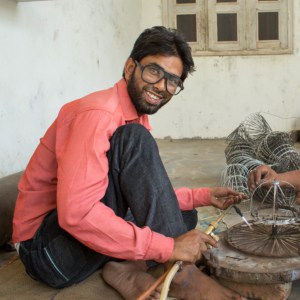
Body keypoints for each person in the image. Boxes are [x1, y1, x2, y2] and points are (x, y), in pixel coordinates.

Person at [13, 26, 246, 300]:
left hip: (75, 241)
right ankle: (181, 275)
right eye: (154, 71)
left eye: (173, 81)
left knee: (184, 216)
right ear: (129, 68)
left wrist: (201, 196)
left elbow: (148, 195)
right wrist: (168, 248)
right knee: (168, 230)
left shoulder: (133, 117)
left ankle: (124, 267)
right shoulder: (99, 115)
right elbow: (76, 214)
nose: (162, 87)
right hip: (46, 253)